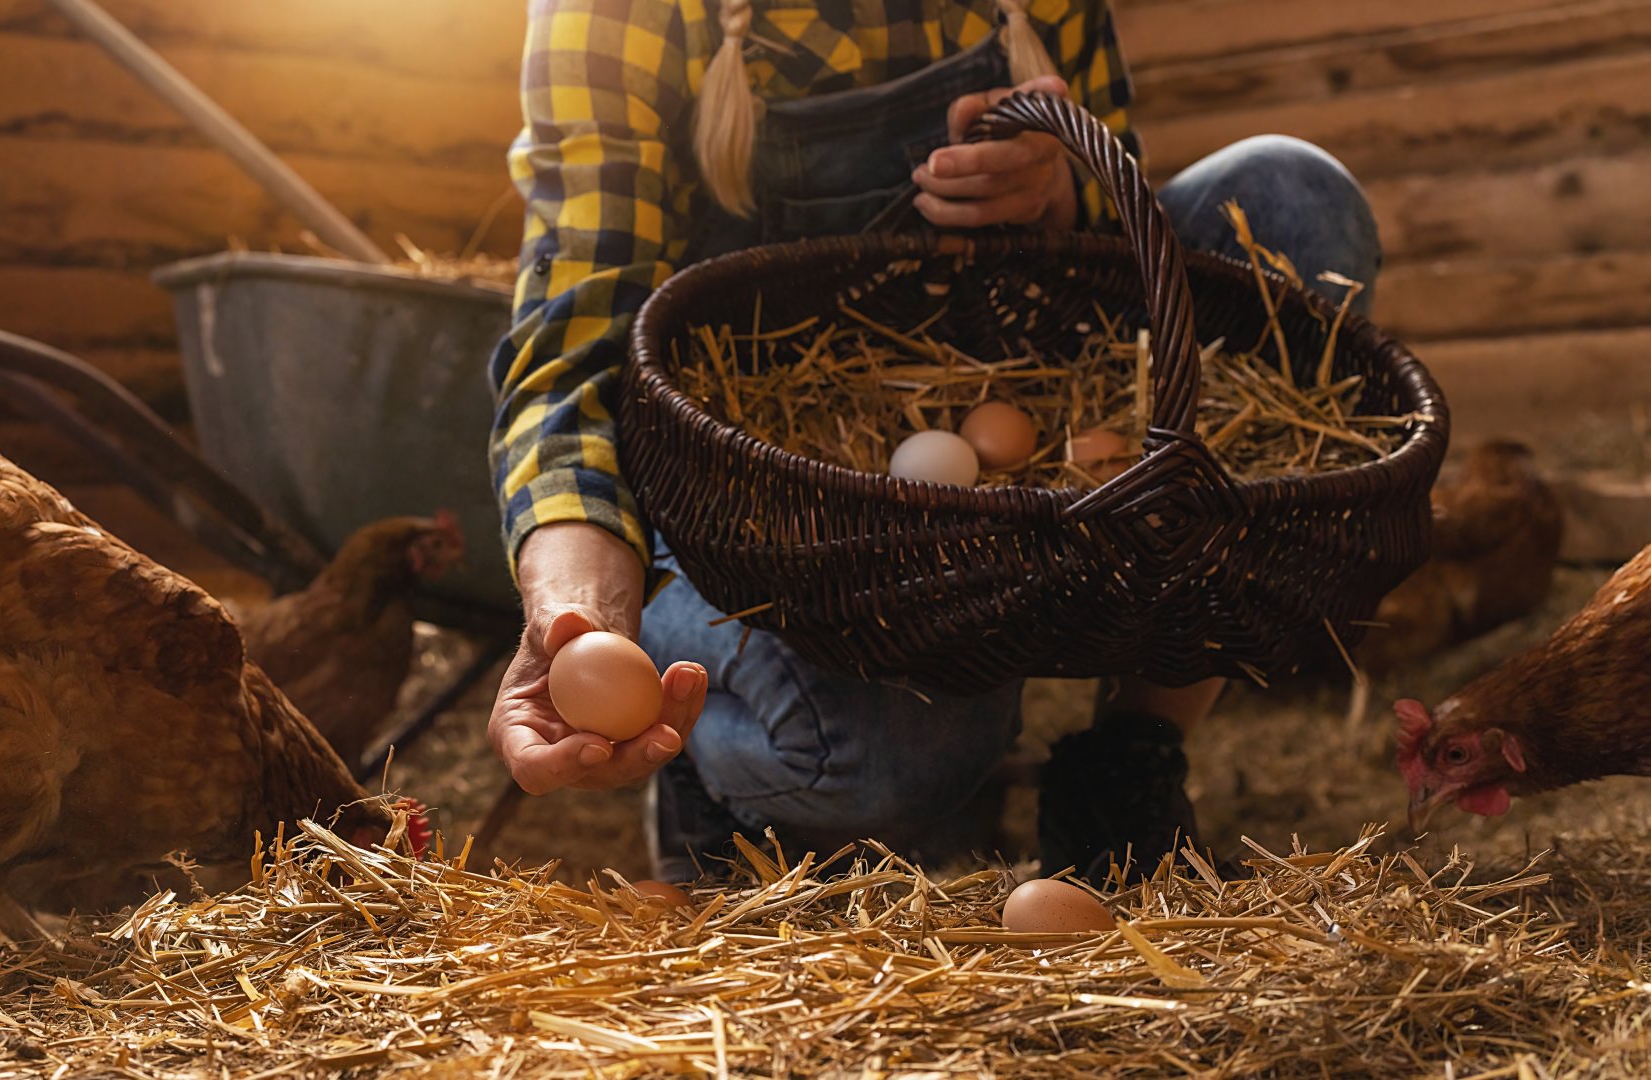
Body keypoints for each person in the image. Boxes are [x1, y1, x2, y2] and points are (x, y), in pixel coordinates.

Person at [487, 0, 1382, 882]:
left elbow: (1123, 263)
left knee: (1290, 196)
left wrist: (1061, 193)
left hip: (1006, 421)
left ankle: (1127, 762)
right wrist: (582, 618)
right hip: (759, 508)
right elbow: (577, 344)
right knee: (886, 760)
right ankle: (723, 766)